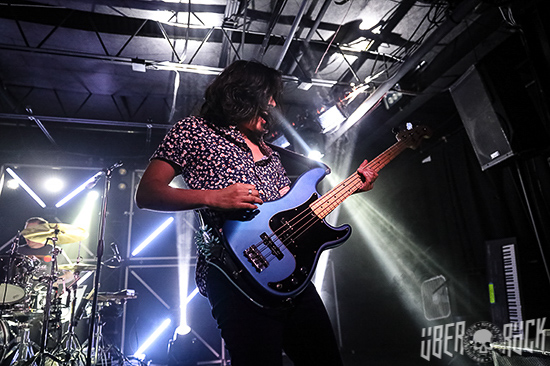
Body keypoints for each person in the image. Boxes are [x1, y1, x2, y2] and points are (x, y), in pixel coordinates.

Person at [135, 60, 378, 366]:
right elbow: (147, 192)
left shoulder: (274, 155)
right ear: (240, 94)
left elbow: (291, 214)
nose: (274, 107)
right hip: (234, 274)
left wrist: (351, 187)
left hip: (290, 276)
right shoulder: (194, 131)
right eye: (268, 97)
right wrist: (214, 198)